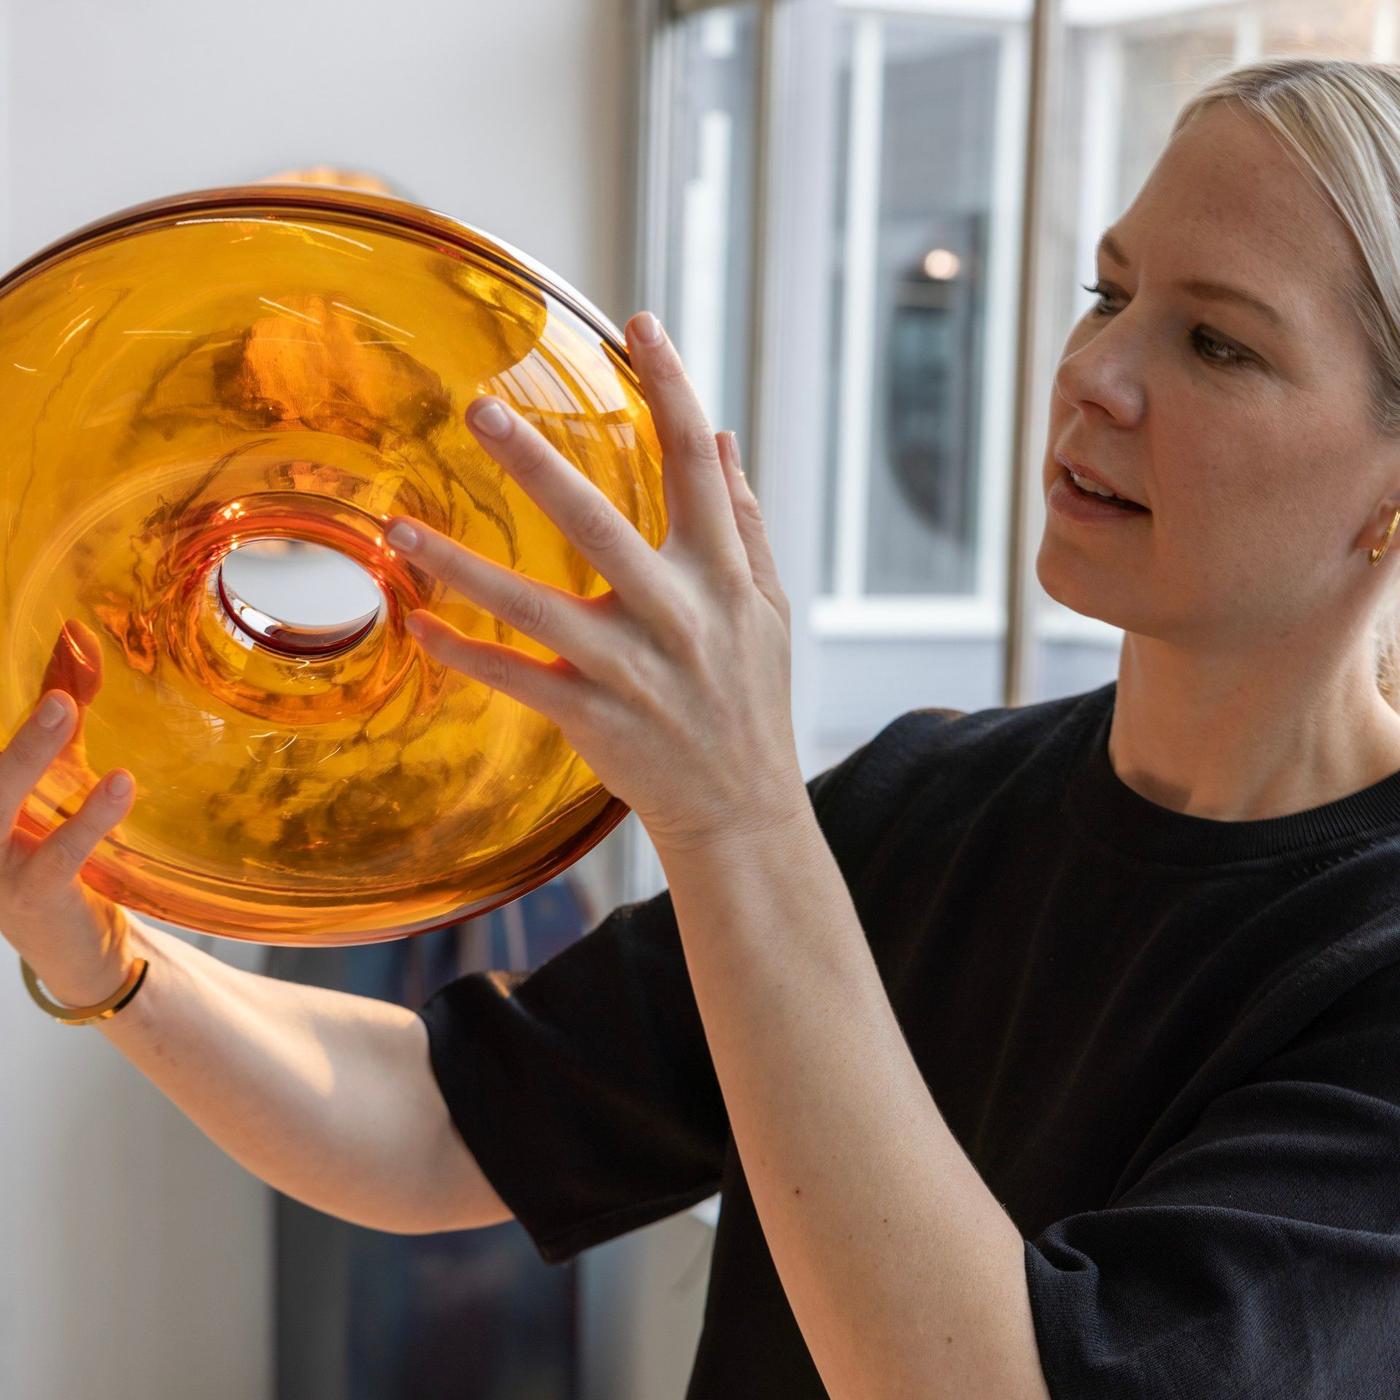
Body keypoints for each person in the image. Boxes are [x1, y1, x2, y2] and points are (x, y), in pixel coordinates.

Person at [7, 52, 1400, 1399]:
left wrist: (736, 811)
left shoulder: (1366, 961)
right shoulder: (931, 804)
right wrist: (106, 955)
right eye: (1109, 293)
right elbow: (443, 1126)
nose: (1096, 372)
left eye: (1218, 341)